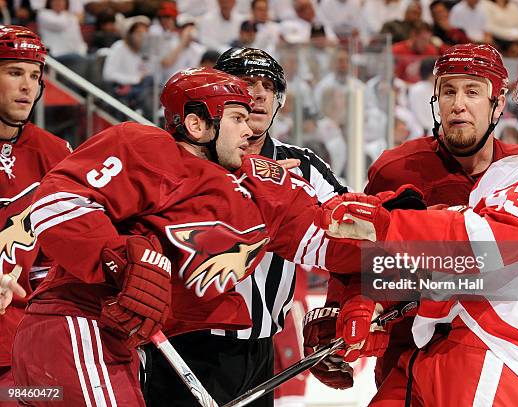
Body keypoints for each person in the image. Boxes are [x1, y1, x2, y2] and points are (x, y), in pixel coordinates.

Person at [12, 66, 360, 406]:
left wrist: (402, 268)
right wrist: (119, 259)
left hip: (127, 348)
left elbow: (330, 244)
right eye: (237, 118)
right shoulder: (146, 148)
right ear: (197, 124)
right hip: (78, 327)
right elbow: (58, 200)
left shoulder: (263, 183)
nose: (248, 129)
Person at [319, 46, 518, 406]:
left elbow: (482, 244)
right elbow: (388, 259)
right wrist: (364, 303)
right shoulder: (517, 170)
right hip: (431, 348)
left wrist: (387, 224)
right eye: (448, 91)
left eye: (472, 91)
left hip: (492, 353)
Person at [302, 43, 518, 393]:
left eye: (472, 91)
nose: (458, 104)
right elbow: (361, 259)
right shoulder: (396, 168)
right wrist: (337, 313)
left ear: (498, 103)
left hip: (496, 361)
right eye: (448, 91)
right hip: (406, 358)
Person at [144, 47, 348, 407]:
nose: (257, 94)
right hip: (185, 343)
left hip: (260, 350)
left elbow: (350, 236)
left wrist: (341, 308)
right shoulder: (183, 158)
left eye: (268, 86)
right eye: (246, 82)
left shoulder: (303, 164)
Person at [0, 25, 71, 406]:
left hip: (23, 350)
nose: (28, 85)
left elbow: (58, 257)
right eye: (15, 73)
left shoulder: (57, 154)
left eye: (34, 75)